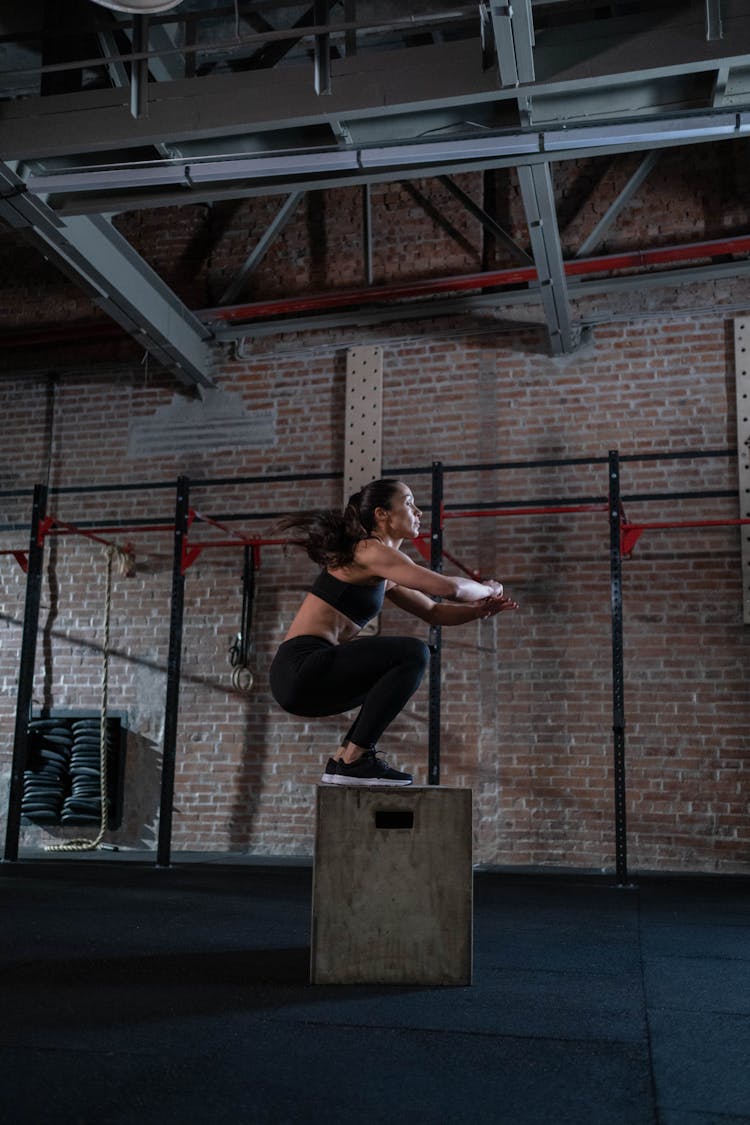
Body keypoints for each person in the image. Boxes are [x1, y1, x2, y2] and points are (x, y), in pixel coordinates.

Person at [269, 479, 517, 786]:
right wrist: (488, 587)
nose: (418, 512)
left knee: (412, 659)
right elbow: (449, 588)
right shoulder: (368, 550)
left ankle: (344, 759)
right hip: (301, 668)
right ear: (382, 515)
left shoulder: (382, 569)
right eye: (409, 503)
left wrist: (477, 611)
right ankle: (355, 760)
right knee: (412, 654)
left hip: (304, 682)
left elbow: (434, 611)